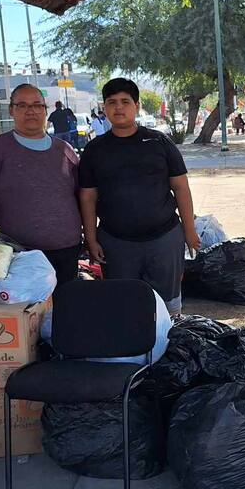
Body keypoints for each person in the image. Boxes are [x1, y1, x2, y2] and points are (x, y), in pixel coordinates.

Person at [78, 77, 199, 315]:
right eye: (112, 102)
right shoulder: (94, 150)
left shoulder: (159, 142)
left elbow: (181, 187)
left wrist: (190, 230)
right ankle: (130, 350)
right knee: (124, 306)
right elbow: (88, 198)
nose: (118, 107)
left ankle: (171, 348)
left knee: (168, 307)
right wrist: (91, 240)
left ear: (137, 105)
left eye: (125, 101)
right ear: (104, 108)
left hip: (164, 238)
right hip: (116, 243)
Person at [0, 84, 82, 285]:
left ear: (45, 110)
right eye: (22, 105)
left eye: (37, 105)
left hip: (67, 249)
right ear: (12, 110)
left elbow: (83, 195)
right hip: (18, 254)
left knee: (68, 309)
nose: (31, 111)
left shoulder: (64, 150)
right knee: (29, 313)